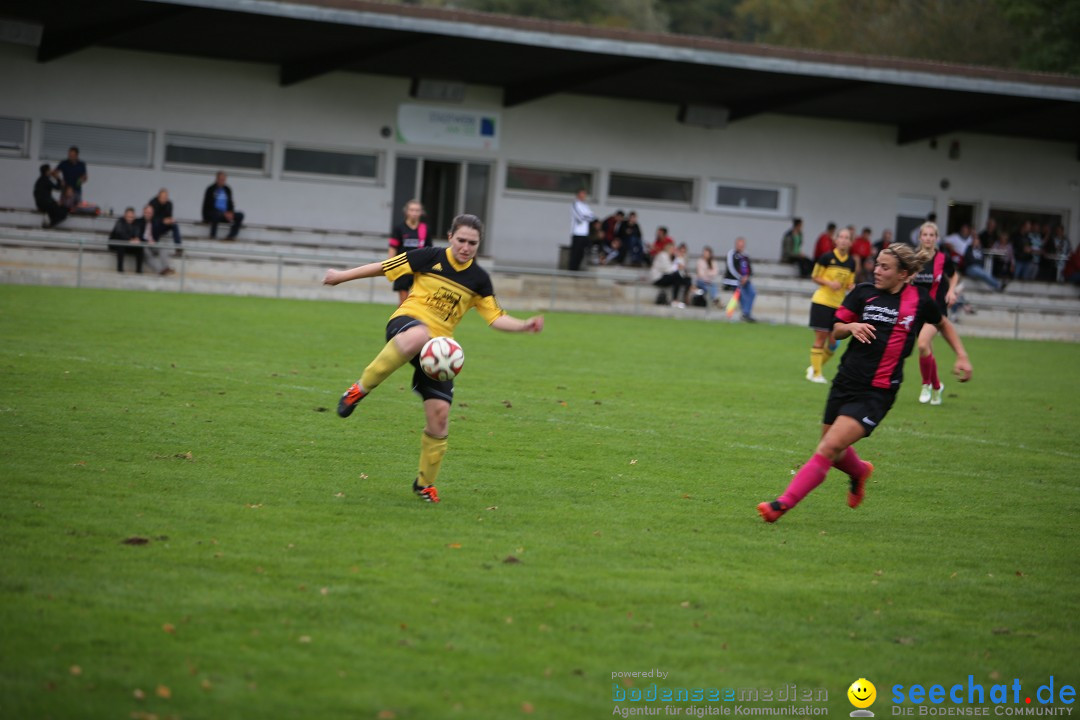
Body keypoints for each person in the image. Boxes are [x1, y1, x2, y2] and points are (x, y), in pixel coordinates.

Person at [322, 214, 544, 503]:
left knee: (440, 416)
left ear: (479, 244)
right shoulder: (429, 257)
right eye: (461, 240)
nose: (466, 247)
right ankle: (359, 390)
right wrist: (341, 276)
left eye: (472, 243)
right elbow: (383, 267)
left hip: (439, 350)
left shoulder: (478, 279)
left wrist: (524, 325)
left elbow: (495, 317)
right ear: (450, 236)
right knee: (419, 335)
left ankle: (424, 484)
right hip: (407, 325)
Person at [757, 243, 972, 524]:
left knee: (827, 448)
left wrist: (962, 356)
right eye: (876, 264)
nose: (876, 270)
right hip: (846, 380)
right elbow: (836, 329)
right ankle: (859, 472)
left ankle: (781, 504)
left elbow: (942, 323)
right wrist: (852, 327)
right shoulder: (863, 293)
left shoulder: (919, 301)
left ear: (903, 274)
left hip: (878, 391)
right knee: (832, 449)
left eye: (885, 267)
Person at [911, 222, 957, 406]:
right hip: (917, 310)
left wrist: (951, 291)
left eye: (932, 235)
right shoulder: (914, 258)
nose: (928, 238)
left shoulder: (942, 258)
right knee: (927, 350)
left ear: (936, 238)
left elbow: (953, 275)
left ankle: (926, 385)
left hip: (936, 309)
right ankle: (937, 387)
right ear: (920, 237)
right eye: (925, 234)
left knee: (922, 345)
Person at [806, 226, 856, 383]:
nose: (844, 240)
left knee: (834, 343)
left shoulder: (851, 262)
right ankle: (816, 374)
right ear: (836, 240)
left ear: (850, 242)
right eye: (841, 237)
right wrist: (829, 283)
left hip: (838, 305)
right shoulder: (826, 257)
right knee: (820, 338)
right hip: (822, 302)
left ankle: (814, 367)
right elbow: (815, 276)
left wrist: (851, 287)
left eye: (847, 238)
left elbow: (849, 282)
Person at [387, 199, 431, 305]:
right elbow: (393, 247)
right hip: (403, 267)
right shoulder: (399, 228)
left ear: (421, 212)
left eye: (417, 210)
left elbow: (429, 249)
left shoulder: (425, 229)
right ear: (406, 212)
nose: (414, 213)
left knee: (417, 301)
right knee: (403, 301)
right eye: (412, 210)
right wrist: (390, 265)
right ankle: (401, 320)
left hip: (419, 268)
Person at [133, 204, 175, 276]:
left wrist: (170, 223)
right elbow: (137, 235)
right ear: (143, 212)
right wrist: (146, 241)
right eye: (147, 212)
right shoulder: (138, 222)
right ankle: (161, 270)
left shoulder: (155, 222)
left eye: (150, 213)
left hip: (153, 244)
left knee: (163, 247)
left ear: (152, 213)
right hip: (143, 245)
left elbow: (162, 229)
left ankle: (166, 267)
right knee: (146, 252)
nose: (148, 214)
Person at [201, 171, 244, 240]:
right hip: (214, 214)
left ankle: (231, 235)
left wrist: (230, 212)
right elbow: (208, 205)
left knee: (240, 215)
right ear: (217, 179)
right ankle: (213, 236)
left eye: (223, 179)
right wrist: (223, 213)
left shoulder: (227, 189)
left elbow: (230, 203)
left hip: (225, 215)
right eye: (220, 179)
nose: (222, 181)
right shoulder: (211, 189)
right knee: (216, 214)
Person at [723, 236, 757, 322]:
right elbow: (731, 268)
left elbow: (750, 270)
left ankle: (746, 313)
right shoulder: (731, 254)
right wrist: (740, 277)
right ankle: (743, 314)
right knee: (740, 293)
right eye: (739, 245)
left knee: (752, 292)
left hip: (745, 281)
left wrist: (746, 277)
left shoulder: (746, 256)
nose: (740, 247)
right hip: (733, 281)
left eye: (742, 245)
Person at [650, 242, 690, 307]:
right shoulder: (663, 255)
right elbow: (667, 269)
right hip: (658, 278)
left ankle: (678, 299)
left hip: (663, 276)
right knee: (677, 277)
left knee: (682, 279)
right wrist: (678, 266)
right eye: (673, 249)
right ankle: (675, 300)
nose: (674, 251)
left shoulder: (668, 256)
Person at [108, 207, 143, 273]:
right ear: (125, 215)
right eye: (128, 217)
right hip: (116, 244)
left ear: (134, 216)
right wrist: (130, 239)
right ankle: (120, 269)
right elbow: (120, 234)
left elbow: (137, 233)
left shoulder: (136, 223)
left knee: (140, 248)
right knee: (121, 245)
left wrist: (137, 238)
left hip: (129, 244)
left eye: (131, 217)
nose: (130, 218)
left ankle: (139, 271)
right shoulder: (120, 221)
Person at [568, 189, 595, 271]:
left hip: (584, 233)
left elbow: (592, 216)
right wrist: (587, 216)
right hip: (577, 233)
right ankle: (572, 270)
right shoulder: (575, 204)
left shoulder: (585, 206)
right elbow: (580, 217)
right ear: (578, 194)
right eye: (583, 194)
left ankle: (577, 269)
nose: (584, 196)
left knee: (581, 253)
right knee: (575, 253)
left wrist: (587, 216)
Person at [149, 188, 183, 255]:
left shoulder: (169, 203)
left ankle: (178, 247)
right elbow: (151, 218)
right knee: (155, 224)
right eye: (163, 197)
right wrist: (162, 220)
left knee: (174, 225)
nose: (164, 199)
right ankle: (154, 247)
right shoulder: (153, 203)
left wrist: (170, 220)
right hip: (155, 225)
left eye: (166, 197)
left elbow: (169, 216)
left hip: (164, 224)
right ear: (158, 196)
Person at [33, 163, 67, 228]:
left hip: (40, 204)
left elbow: (41, 194)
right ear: (47, 172)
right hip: (46, 204)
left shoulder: (39, 180)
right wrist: (58, 178)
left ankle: (50, 223)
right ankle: (50, 225)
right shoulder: (46, 180)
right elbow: (58, 187)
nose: (51, 171)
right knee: (63, 213)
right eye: (50, 170)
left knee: (55, 212)